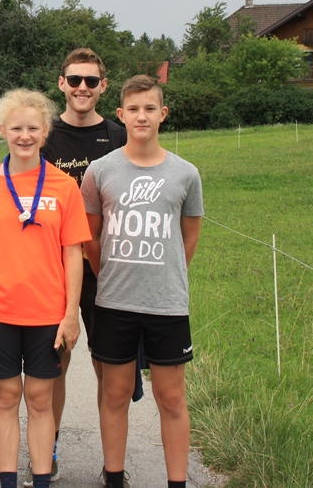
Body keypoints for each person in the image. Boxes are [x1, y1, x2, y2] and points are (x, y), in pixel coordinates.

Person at [0, 88, 90, 488]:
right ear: (3, 130)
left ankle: (42, 480)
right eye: (16, 128)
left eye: (33, 128)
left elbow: (73, 254)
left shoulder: (64, 186)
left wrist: (71, 314)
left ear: (46, 131)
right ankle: (8, 481)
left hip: (47, 314)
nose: (25, 136)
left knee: (39, 399)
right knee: (5, 398)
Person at [80, 75, 204, 488]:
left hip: (166, 303)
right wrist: (112, 276)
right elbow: (91, 239)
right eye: (133, 109)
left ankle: (177, 482)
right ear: (120, 114)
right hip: (114, 302)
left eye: (150, 108)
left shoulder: (185, 174)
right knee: (115, 394)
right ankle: (114, 478)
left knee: (171, 397)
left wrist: (163, 274)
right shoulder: (100, 171)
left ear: (162, 114)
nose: (142, 116)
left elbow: (188, 238)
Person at [29, 48, 127, 486]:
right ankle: (47, 452)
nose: (82, 88)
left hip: (107, 267)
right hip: (55, 267)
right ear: (61, 84)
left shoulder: (118, 136)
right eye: (74, 80)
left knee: (108, 367)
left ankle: (113, 464)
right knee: (56, 364)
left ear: (103, 86)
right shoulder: (46, 137)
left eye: (90, 80)